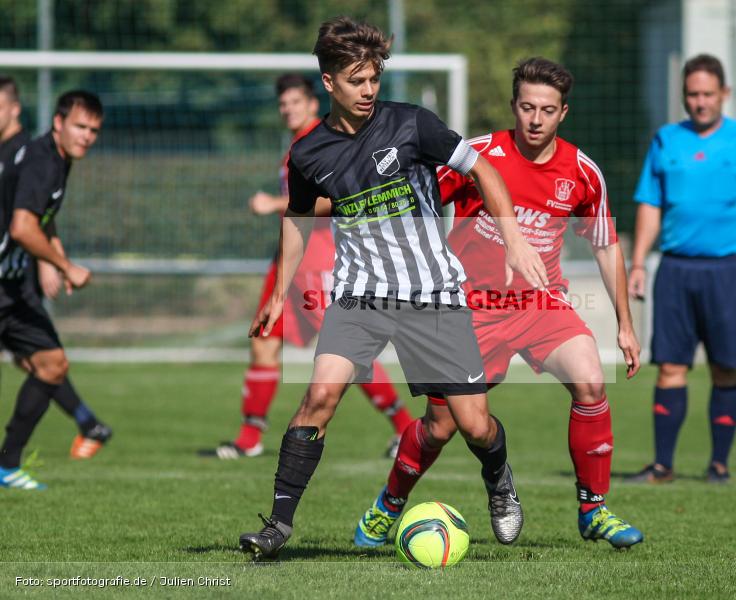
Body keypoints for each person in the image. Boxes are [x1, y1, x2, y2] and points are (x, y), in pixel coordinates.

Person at [238, 16, 548, 560]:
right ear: (328, 82)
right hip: (360, 295)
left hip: (433, 294)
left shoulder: (411, 125)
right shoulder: (309, 154)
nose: (368, 90)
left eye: (374, 78)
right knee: (319, 395)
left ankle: (499, 480)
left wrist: (515, 241)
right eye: (356, 80)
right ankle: (278, 525)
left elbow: (484, 171)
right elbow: (298, 219)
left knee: (473, 425)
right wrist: (276, 294)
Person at [353, 57, 644, 550]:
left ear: (563, 113)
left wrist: (625, 324)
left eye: (547, 110)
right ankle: (390, 503)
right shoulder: (478, 156)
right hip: (468, 310)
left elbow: (605, 244)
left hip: (540, 306)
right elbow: (419, 203)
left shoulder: (581, 172)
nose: (535, 119)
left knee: (591, 380)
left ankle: (594, 509)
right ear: (514, 106)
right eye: (527, 107)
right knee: (442, 427)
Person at [209, 73, 412, 461]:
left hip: (321, 256)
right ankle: (249, 438)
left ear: (313, 104)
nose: (288, 110)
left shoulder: (323, 143)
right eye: (283, 104)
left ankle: (404, 427)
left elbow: (338, 200)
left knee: (350, 353)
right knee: (264, 343)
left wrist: (275, 204)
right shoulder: (294, 146)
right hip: (287, 259)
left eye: (295, 103)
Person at [626, 54, 736, 484]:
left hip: (729, 270)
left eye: (708, 94)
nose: (700, 103)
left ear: (724, 94)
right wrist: (638, 262)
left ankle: (719, 465)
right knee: (671, 366)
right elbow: (650, 205)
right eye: (692, 94)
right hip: (675, 269)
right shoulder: (665, 141)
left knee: (724, 367)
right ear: (683, 95)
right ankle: (662, 465)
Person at [0, 77, 111, 462]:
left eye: (94, 130)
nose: (87, 137)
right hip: (7, 284)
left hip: (11, 286)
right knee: (44, 364)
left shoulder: (59, 159)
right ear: (58, 122)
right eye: (80, 127)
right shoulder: (41, 160)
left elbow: (42, 217)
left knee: (50, 364)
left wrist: (53, 260)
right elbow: (21, 227)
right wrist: (66, 265)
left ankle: (7, 465)